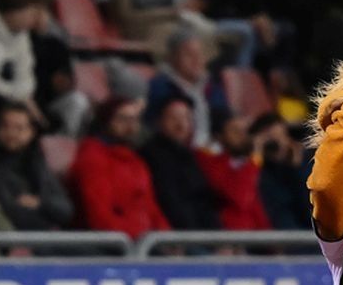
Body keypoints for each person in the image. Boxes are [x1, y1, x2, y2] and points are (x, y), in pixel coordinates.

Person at [68, 98, 169, 238]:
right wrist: (139, 237)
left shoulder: (135, 161)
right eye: (122, 118)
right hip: (113, 242)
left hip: (143, 240)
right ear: (106, 120)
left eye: (134, 119)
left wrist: (166, 237)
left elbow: (150, 207)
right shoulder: (92, 158)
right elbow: (100, 216)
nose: (130, 126)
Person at [0, 102, 73, 231]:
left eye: (19, 128)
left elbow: (66, 210)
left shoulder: (35, 160)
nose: (11, 133)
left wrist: (40, 203)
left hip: (42, 235)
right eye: (5, 126)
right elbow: (9, 211)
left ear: (31, 132)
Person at [141, 97, 222, 230]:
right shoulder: (152, 156)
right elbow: (170, 201)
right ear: (159, 121)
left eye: (186, 118)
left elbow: (205, 201)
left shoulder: (192, 156)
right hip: (178, 235)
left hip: (203, 235)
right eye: (173, 118)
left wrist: (217, 236)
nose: (181, 124)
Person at [197, 115, 270, 231]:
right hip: (230, 234)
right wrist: (255, 160)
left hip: (256, 235)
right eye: (235, 131)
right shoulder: (209, 161)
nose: (242, 135)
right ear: (219, 136)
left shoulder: (249, 163)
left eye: (245, 131)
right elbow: (241, 196)